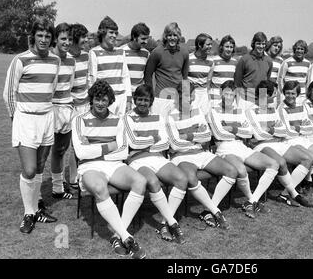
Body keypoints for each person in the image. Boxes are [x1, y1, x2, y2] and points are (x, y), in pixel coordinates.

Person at [72, 79, 147, 259]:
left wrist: (97, 151)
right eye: (97, 99)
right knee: (99, 188)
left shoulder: (117, 119)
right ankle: (127, 236)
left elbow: (123, 151)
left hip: (113, 164)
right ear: (91, 100)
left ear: (110, 101)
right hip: (89, 166)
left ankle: (117, 235)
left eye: (104, 100)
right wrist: (109, 146)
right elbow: (81, 153)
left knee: (140, 181)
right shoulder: (79, 120)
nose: (100, 103)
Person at [3, 18, 60, 234]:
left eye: (47, 36)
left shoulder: (55, 61)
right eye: (40, 36)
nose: (44, 40)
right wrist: (14, 117)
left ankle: (36, 208)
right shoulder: (21, 60)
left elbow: (52, 88)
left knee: (40, 165)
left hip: (46, 117)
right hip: (25, 118)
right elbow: (9, 92)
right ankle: (29, 213)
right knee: (29, 169)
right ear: (33, 37)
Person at [166, 81, 237, 229]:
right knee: (191, 178)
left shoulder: (197, 109)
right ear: (178, 96)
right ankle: (215, 211)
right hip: (181, 156)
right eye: (187, 96)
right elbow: (175, 145)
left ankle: (208, 210)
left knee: (231, 171)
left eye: (192, 96)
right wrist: (195, 133)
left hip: (200, 152)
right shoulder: (169, 115)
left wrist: (186, 135)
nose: (190, 100)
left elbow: (207, 136)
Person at [124, 84, 187, 244]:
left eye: (146, 100)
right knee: (152, 181)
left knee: (181, 179)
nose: (143, 103)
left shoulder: (158, 117)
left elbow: (165, 142)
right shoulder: (127, 117)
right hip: (136, 159)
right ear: (134, 100)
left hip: (157, 157)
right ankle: (172, 223)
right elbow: (133, 143)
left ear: (151, 101)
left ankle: (164, 223)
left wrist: (146, 143)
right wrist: (153, 140)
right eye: (140, 100)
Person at [208, 80, 280, 219]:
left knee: (273, 164)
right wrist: (238, 130)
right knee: (240, 170)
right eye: (226, 94)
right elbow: (219, 134)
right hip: (224, 148)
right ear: (220, 94)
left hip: (241, 146)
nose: (229, 97)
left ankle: (252, 201)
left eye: (232, 94)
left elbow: (248, 133)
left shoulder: (239, 111)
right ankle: (252, 201)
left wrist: (232, 128)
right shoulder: (213, 111)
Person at [245, 80, 313, 207]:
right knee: (281, 162)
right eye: (262, 95)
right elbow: (259, 135)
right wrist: (274, 131)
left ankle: (285, 194)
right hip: (261, 145)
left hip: (278, 143)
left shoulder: (272, 109)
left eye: (271, 95)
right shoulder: (251, 110)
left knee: (308, 158)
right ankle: (294, 194)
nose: (266, 98)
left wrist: (271, 130)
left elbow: (283, 131)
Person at [49, 23, 76, 201]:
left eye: (69, 39)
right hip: (52, 108)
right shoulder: (49, 58)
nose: (67, 42)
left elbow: (70, 85)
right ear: (56, 39)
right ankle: (56, 187)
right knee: (47, 151)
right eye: (63, 39)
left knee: (62, 150)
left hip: (67, 107)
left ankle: (58, 187)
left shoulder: (72, 60)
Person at [87, 16, 132, 116]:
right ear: (103, 33)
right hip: (104, 100)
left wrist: (129, 98)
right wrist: (94, 100)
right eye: (111, 32)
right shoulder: (94, 52)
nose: (114, 35)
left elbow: (125, 76)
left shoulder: (121, 52)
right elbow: (92, 79)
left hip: (121, 98)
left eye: (116, 33)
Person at [144, 22, 189, 116]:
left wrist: (185, 99)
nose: (172, 38)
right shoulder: (157, 52)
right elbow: (148, 75)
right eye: (169, 35)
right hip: (160, 98)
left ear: (179, 37)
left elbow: (185, 77)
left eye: (175, 35)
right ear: (165, 36)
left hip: (177, 98)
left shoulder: (184, 53)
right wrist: (150, 95)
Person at [66, 23, 90, 189]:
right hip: (71, 106)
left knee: (84, 141)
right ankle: (72, 179)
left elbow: (89, 79)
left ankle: (84, 174)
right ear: (75, 38)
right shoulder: (65, 57)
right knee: (73, 144)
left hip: (86, 104)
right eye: (84, 37)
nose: (86, 40)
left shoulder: (87, 55)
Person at [234, 32, 273, 104]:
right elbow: (237, 82)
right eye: (258, 43)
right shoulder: (244, 59)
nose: (261, 46)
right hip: (246, 98)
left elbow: (267, 79)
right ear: (253, 44)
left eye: (263, 44)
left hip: (262, 98)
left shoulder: (269, 61)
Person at [120, 23, 151, 97]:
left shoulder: (146, 53)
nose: (146, 42)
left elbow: (147, 76)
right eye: (143, 39)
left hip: (139, 96)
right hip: (124, 94)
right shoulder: (121, 52)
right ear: (134, 37)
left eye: (147, 38)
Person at [207, 35, 238, 107]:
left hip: (229, 99)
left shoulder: (235, 63)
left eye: (231, 47)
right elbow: (208, 81)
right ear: (221, 47)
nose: (229, 49)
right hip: (215, 99)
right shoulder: (213, 61)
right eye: (227, 47)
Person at [277, 40, 311, 104]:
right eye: (298, 48)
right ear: (294, 49)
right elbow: (280, 78)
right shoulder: (287, 62)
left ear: (305, 51)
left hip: (302, 96)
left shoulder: (308, 64)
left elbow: (308, 81)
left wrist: (307, 93)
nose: (299, 51)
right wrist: (283, 92)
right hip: (289, 95)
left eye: (302, 49)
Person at [187, 33, 214, 114]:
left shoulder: (211, 62)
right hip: (191, 94)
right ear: (199, 44)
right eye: (208, 44)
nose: (210, 47)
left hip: (204, 95)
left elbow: (208, 81)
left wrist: (208, 95)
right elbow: (183, 78)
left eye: (211, 44)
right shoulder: (188, 59)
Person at [265, 36, 284, 105]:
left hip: (274, 91)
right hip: (262, 90)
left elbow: (280, 77)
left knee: (272, 112)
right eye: (275, 45)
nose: (277, 48)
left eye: (279, 47)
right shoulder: (262, 56)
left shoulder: (280, 60)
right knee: (262, 111)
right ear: (270, 45)